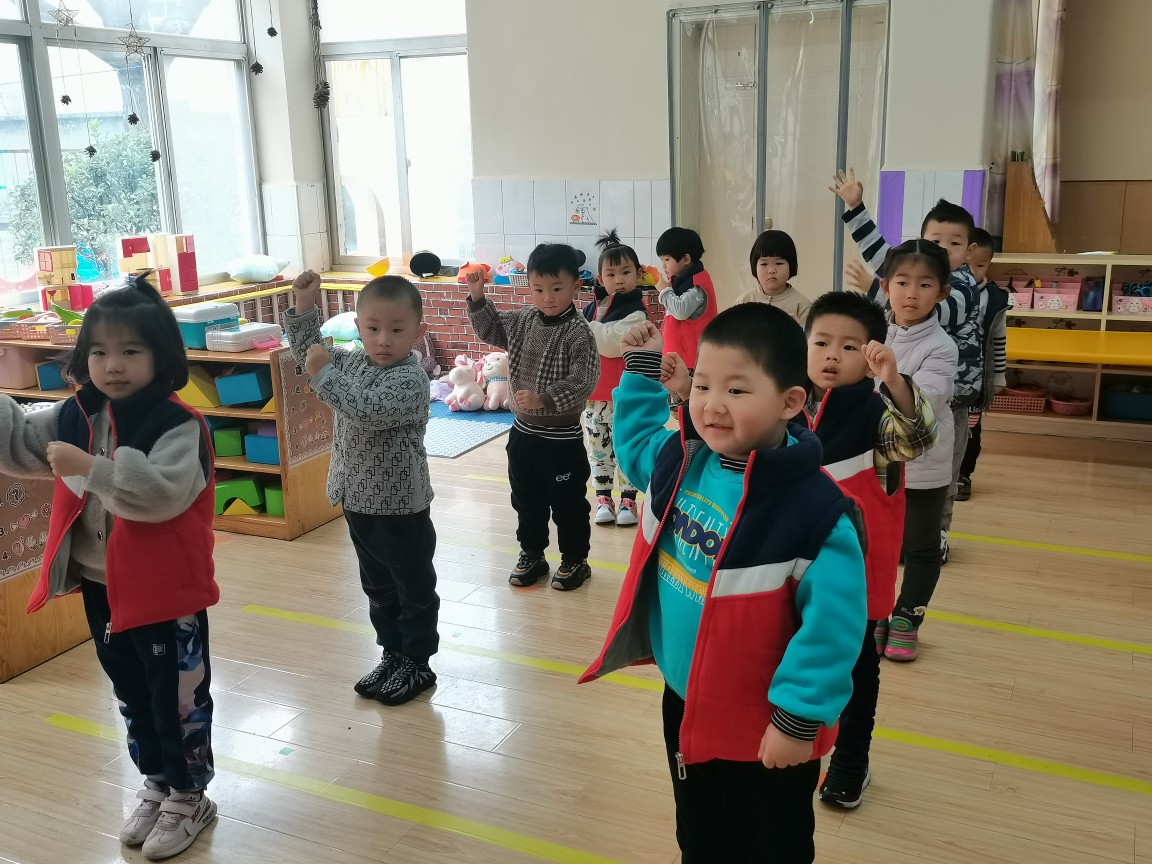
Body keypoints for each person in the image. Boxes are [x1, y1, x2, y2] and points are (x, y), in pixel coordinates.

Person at [581, 305, 866, 863]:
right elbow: (635, 446)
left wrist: (797, 721)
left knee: (772, 843)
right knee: (700, 833)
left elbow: (833, 629)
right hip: (685, 698)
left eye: (736, 390)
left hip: (765, 722)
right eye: (703, 385)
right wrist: (640, 370)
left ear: (790, 402)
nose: (711, 404)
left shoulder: (815, 511)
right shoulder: (683, 462)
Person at [0, 275, 219, 859]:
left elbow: (162, 495)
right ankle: (158, 782)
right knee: (131, 691)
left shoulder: (178, 424)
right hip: (103, 586)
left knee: (178, 696)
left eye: (130, 351)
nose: (112, 365)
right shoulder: (78, 414)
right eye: (98, 352)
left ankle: (191, 794)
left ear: (161, 356)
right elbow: (19, 442)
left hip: (164, 591)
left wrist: (91, 469)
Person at [285, 270, 440, 705]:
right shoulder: (353, 362)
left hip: (400, 508)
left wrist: (323, 374)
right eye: (373, 329)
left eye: (397, 330)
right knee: (378, 588)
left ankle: (417, 662)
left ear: (418, 332)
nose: (384, 340)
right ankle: (392, 654)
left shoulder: (410, 379)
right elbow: (310, 353)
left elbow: (366, 410)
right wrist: (304, 306)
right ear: (359, 328)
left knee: (412, 589)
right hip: (357, 500)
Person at [831, 169, 980, 564]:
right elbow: (889, 264)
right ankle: (898, 534)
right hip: (901, 411)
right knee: (898, 477)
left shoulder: (962, 288)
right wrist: (855, 208)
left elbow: (923, 304)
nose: (943, 249)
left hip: (953, 399)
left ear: (968, 251)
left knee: (942, 475)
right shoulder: (897, 310)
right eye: (935, 241)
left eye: (954, 243)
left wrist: (877, 287)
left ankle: (937, 533)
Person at [466, 243, 600, 590]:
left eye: (556, 289)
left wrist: (545, 399)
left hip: (561, 440)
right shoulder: (525, 319)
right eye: (538, 289)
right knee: (526, 500)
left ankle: (575, 559)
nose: (547, 297)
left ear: (575, 287)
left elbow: (584, 380)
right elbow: (492, 330)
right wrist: (478, 299)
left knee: (568, 504)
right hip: (523, 434)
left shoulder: (579, 332)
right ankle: (532, 554)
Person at [873, 240, 959, 661]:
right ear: (885, 286)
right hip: (876, 461)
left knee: (921, 546)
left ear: (942, 293)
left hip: (924, 465)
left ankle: (907, 616)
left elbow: (923, 404)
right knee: (876, 543)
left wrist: (891, 378)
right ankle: (876, 614)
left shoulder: (942, 347)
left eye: (925, 285)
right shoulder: (872, 330)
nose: (911, 294)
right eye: (902, 282)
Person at [583, 229, 650, 528]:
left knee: (624, 448)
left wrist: (585, 329)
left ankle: (628, 500)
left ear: (639, 274)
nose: (619, 279)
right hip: (594, 397)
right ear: (600, 279)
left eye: (625, 272)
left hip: (623, 397)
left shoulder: (637, 312)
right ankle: (603, 499)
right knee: (598, 451)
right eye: (611, 274)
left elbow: (611, 342)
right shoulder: (592, 308)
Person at [956, 227, 1009, 501]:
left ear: (990, 265)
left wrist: (998, 376)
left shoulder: (995, 298)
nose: (973, 271)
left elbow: (998, 340)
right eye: (967, 264)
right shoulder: (946, 293)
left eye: (981, 265)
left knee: (970, 430)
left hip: (976, 381)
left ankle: (963, 475)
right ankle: (943, 473)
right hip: (948, 378)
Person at [656, 226, 717, 370]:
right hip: (677, 359)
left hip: (692, 363)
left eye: (667, 259)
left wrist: (664, 291)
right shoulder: (679, 281)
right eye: (661, 259)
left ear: (686, 259)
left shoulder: (697, 286)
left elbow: (681, 310)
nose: (663, 265)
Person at [735, 229, 813, 325]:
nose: (771, 270)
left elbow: (810, 334)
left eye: (779, 263)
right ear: (755, 267)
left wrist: (798, 328)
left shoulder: (802, 305)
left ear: (791, 266)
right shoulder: (743, 301)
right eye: (764, 264)